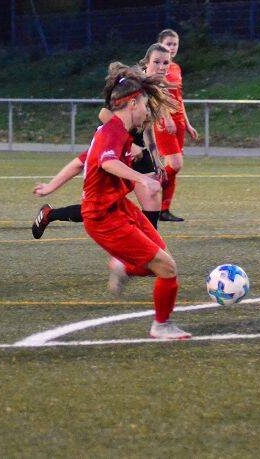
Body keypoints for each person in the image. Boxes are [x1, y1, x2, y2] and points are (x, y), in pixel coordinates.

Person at [82, 62, 190, 339]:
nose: (146, 111)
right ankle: (161, 326)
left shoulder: (121, 131)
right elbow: (107, 162)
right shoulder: (113, 131)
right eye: (143, 104)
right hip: (103, 217)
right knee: (167, 267)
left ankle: (122, 267)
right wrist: (142, 179)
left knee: (162, 258)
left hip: (119, 208)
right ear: (132, 104)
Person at [31, 45, 171, 239]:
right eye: (157, 62)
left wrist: (156, 160)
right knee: (100, 207)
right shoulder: (128, 87)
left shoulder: (151, 90)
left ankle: (151, 246)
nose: (162, 66)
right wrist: (129, 145)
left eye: (166, 62)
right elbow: (104, 113)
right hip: (118, 147)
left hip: (134, 148)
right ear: (146, 62)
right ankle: (50, 214)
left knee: (151, 194)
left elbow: (148, 129)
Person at [154, 29, 199, 222]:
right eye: (168, 44)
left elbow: (179, 98)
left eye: (175, 44)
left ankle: (163, 209)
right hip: (165, 122)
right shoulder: (156, 68)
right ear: (160, 45)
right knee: (176, 164)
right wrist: (167, 118)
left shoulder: (176, 68)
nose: (172, 47)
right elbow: (157, 95)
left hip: (178, 121)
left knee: (173, 167)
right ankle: (148, 184)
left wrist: (187, 123)